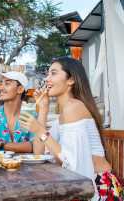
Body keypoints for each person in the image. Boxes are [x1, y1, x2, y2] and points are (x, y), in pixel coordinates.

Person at [20, 57, 123, 201]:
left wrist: (41, 131)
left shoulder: (73, 108)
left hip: (99, 186)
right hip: (81, 181)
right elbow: (39, 152)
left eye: (53, 73)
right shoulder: (62, 115)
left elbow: (72, 162)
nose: (47, 79)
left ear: (71, 80)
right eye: (48, 74)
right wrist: (43, 110)